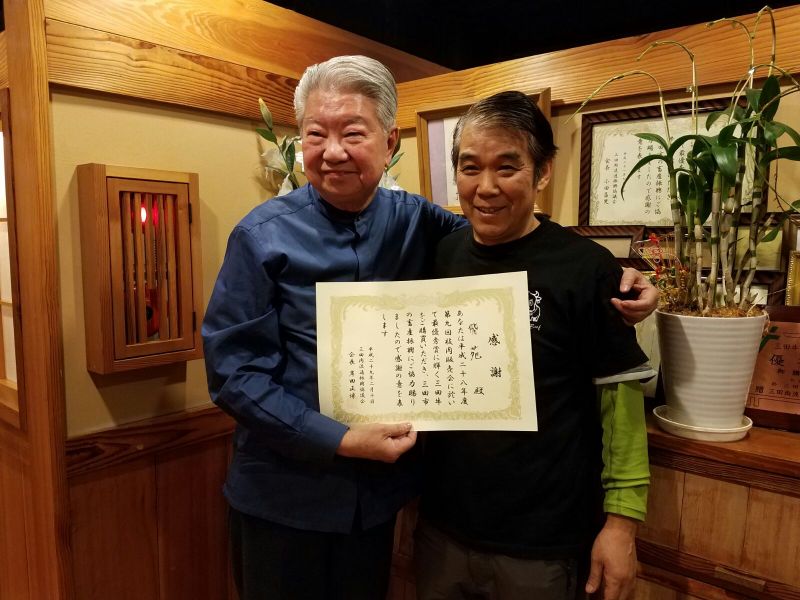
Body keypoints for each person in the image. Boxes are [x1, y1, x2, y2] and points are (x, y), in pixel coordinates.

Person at [203, 56, 657, 600]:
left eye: (353, 133)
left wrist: (620, 276)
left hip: (376, 508)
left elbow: (512, 233)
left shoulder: (416, 220)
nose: (333, 151)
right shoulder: (261, 237)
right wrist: (339, 439)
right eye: (315, 134)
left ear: (389, 142)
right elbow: (233, 375)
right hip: (284, 500)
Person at [415, 91, 652, 600]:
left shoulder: (586, 268)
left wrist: (621, 526)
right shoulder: (440, 257)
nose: (486, 187)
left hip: (544, 544)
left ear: (542, 172)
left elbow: (621, 402)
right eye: (470, 168)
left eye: (507, 167)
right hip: (441, 529)